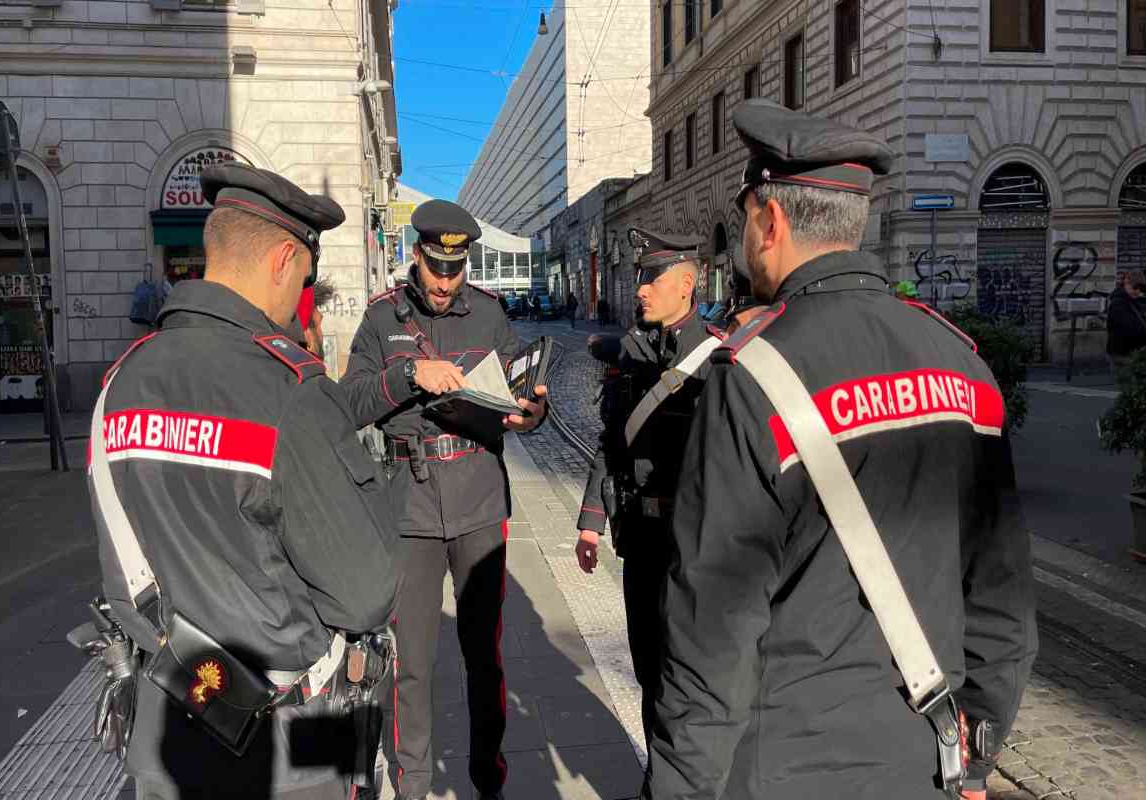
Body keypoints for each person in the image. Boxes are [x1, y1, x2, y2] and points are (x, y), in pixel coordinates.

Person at [645, 101, 1038, 800]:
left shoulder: (754, 376)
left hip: (783, 766)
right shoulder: (965, 365)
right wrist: (978, 754)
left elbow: (713, 628)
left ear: (771, 221)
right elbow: (1002, 598)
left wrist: (679, 787)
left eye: (745, 221)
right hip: (926, 758)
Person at [91, 163, 399, 799]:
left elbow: (122, 577)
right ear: (284, 259)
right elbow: (365, 592)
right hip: (293, 742)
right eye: (306, 282)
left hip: (168, 719)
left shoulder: (118, 383)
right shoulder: (289, 391)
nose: (301, 301)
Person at [338, 199, 548, 800]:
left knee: (485, 656)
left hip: (480, 499)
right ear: (416, 255)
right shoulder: (382, 319)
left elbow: (519, 397)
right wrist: (409, 377)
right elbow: (349, 403)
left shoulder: (488, 313)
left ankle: (489, 780)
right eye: (435, 267)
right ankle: (413, 785)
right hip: (410, 508)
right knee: (412, 667)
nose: (444, 280)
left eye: (455, 269)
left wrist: (533, 411)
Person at [573, 227, 721, 765]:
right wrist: (590, 520)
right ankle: (658, 777)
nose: (640, 289)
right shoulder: (631, 351)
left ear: (685, 283)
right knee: (646, 669)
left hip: (697, 548)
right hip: (640, 540)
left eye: (651, 278)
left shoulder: (717, 357)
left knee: (691, 675)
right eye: (638, 278)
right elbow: (611, 440)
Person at [1107, 268, 1146, 386]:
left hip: (1131, 353)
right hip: (1123, 354)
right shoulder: (1118, 303)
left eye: (1141, 289)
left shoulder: (1133, 301)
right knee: (1129, 390)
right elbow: (1128, 329)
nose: (1137, 291)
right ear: (1126, 283)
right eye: (1135, 288)